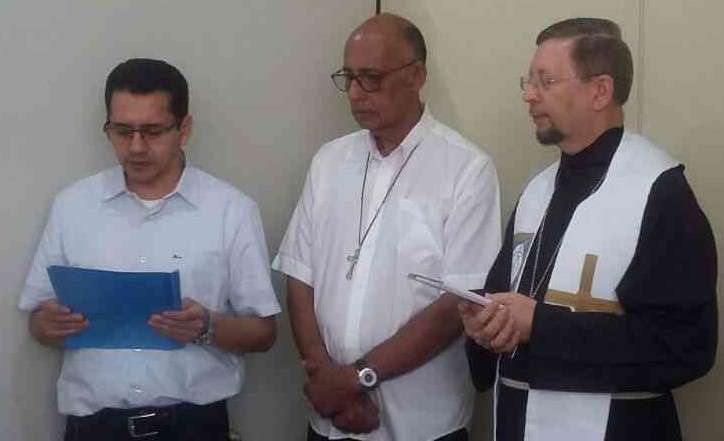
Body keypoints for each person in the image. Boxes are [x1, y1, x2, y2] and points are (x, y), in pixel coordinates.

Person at [461, 18, 718, 441]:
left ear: (600, 91)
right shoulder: (537, 191)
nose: (528, 95)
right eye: (528, 81)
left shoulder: (659, 192)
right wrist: (485, 327)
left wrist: (541, 326)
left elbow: (686, 346)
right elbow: (506, 302)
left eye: (545, 81)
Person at [19, 58, 280, 440]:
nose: (137, 147)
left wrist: (207, 327)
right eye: (123, 131)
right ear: (107, 128)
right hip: (93, 428)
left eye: (153, 131)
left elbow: (263, 333)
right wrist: (49, 325)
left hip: (193, 426)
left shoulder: (231, 210)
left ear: (184, 129)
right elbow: (38, 323)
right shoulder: (72, 206)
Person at [273, 13, 501, 441]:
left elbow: (458, 303)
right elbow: (299, 277)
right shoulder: (329, 161)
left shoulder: (466, 168)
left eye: (372, 79)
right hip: (330, 417)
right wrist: (327, 380)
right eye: (349, 78)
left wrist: (356, 379)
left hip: (421, 422)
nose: (356, 93)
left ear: (416, 76)